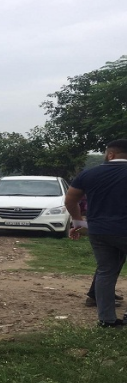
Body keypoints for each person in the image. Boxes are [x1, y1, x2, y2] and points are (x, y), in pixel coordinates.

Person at [65, 138, 127, 328]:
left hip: (99, 231)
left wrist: (77, 222)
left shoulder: (89, 174)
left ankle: (106, 320)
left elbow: (70, 200)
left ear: (110, 154)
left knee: (105, 272)